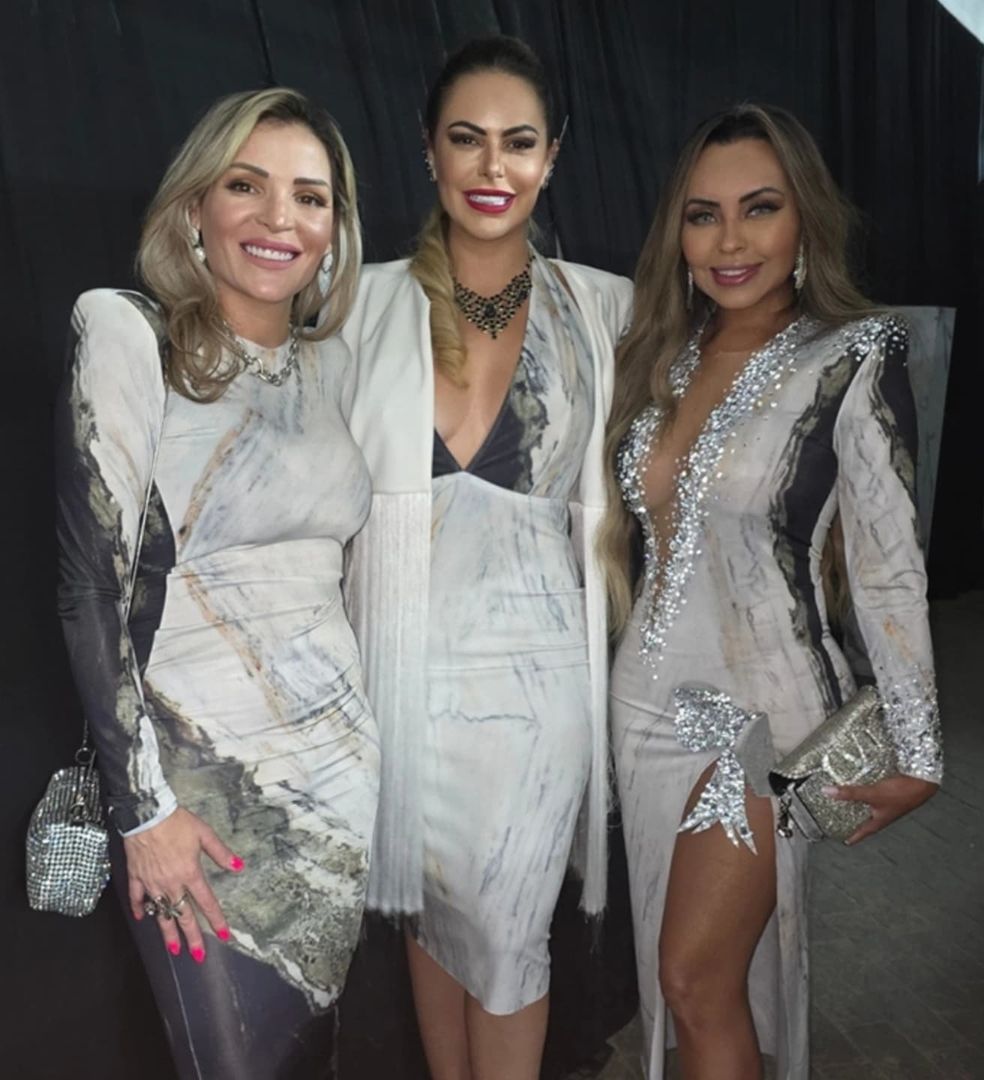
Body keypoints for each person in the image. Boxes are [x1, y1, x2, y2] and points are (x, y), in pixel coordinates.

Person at [602, 103, 943, 1080]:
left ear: (805, 221)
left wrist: (917, 747)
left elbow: (887, 559)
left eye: (760, 207)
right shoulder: (660, 357)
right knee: (697, 981)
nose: (730, 239)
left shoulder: (852, 354)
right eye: (703, 215)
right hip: (642, 702)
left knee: (692, 977)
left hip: (759, 717)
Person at [55, 87, 378, 1079]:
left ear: (335, 228)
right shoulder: (127, 334)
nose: (282, 220)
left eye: (311, 197)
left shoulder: (331, 368)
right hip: (197, 786)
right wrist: (141, 811)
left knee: (308, 1057)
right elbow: (89, 585)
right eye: (248, 186)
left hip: (344, 775)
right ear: (196, 207)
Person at [338, 36, 633, 1080]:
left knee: (509, 944)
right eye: (467, 141)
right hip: (394, 686)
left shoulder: (606, 310)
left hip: (533, 694)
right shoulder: (356, 307)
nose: (492, 167)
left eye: (518, 144)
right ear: (429, 153)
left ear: (551, 157)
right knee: (430, 926)